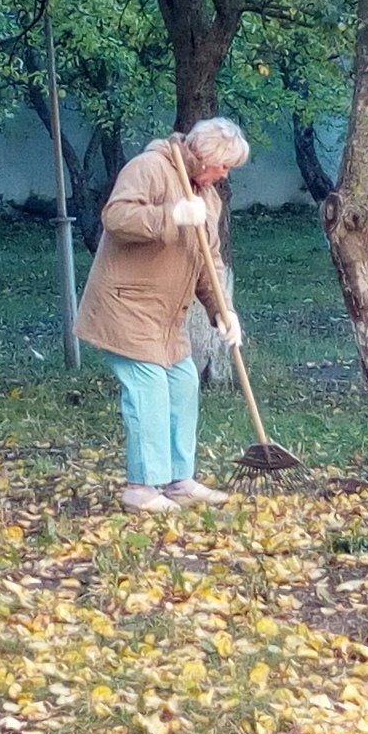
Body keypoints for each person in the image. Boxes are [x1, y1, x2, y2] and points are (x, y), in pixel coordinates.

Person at [74, 117, 250, 514]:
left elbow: (210, 260)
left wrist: (223, 310)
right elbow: (116, 217)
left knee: (183, 383)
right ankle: (139, 490)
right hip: (127, 304)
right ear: (204, 156)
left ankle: (179, 482)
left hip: (167, 316)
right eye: (223, 165)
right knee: (148, 388)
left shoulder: (208, 196)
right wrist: (171, 215)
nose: (225, 175)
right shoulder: (149, 167)